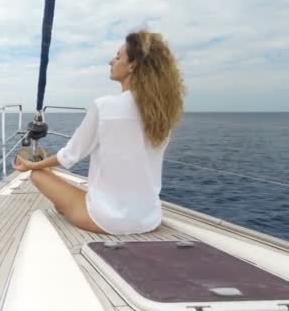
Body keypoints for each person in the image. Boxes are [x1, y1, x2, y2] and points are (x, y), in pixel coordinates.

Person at [13, 30, 185, 235]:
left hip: (107, 220)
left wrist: (34, 164)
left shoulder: (105, 107)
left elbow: (71, 155)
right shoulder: (162, 114)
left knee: (39, 175)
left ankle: (64, 205)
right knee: (72, 186)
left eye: (118, 56)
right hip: (149, 218)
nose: (110, 61)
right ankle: (66, 204)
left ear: (133, 65)